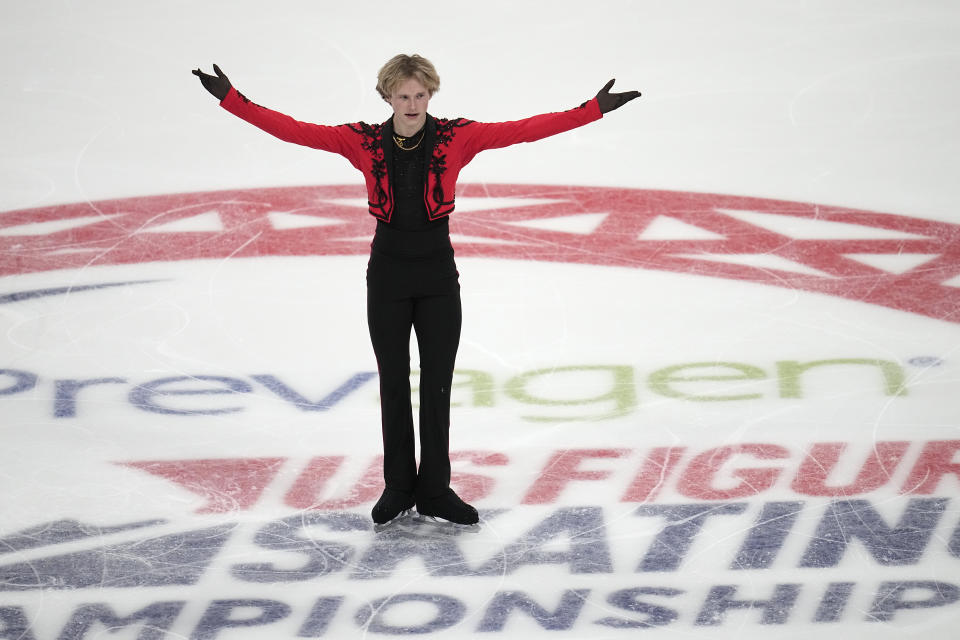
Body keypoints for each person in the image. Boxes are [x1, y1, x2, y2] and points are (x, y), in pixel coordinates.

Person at [192, 54, 640, 526]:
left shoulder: (457, 136)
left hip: (437, 278)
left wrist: (594, 109)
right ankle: (399, 485)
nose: (412, 104)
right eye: (403, 96)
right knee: (393, 383)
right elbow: (293, 130)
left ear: (431, 95)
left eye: (420, 95)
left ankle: (435, 490)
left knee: (438, 386)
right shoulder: (359, 140)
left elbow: (524, 129)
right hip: (387, 275)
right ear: (387, 97)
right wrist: (231, 99)